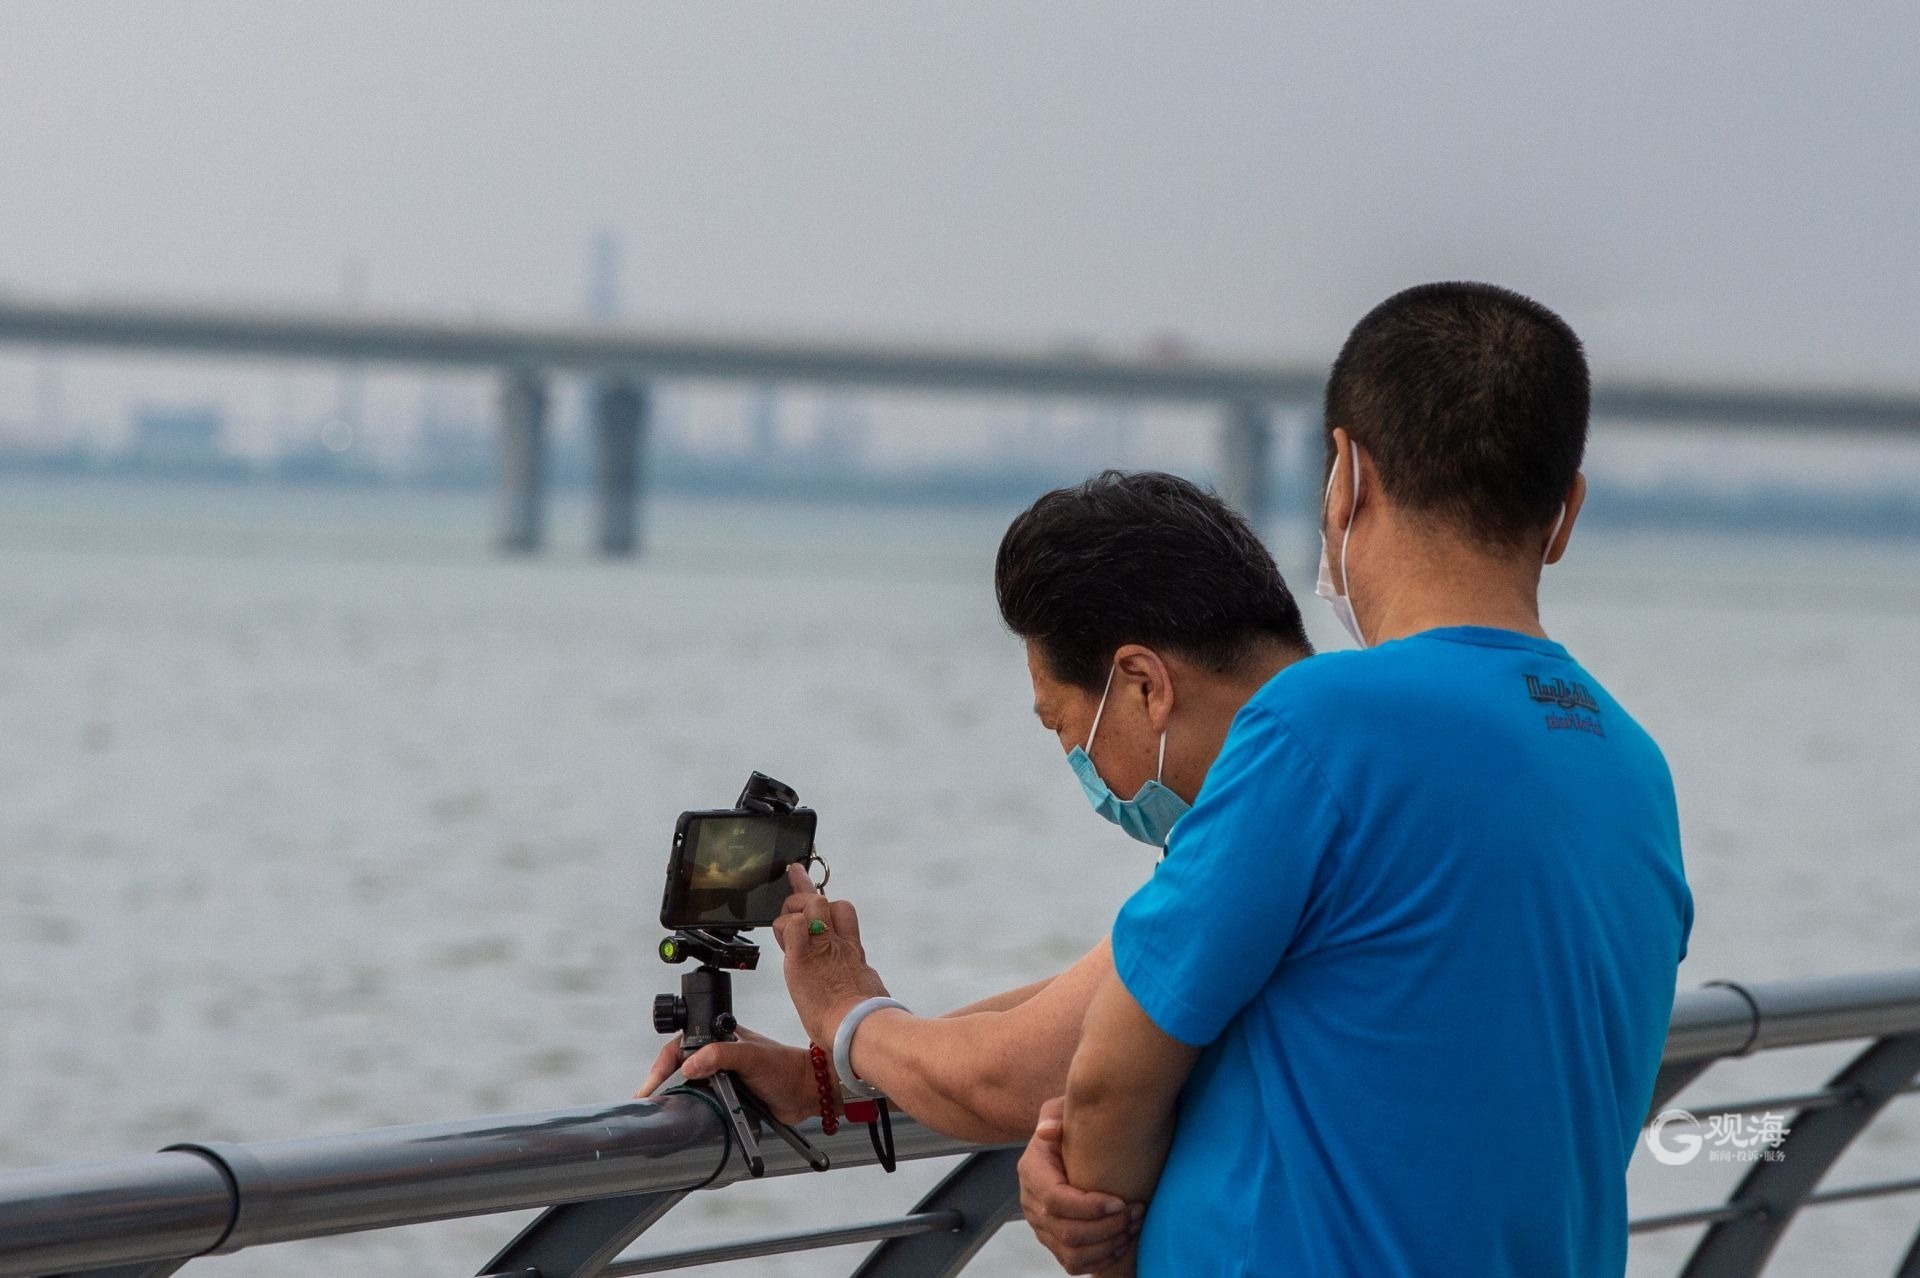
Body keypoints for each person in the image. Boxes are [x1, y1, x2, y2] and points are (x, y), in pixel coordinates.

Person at [1027, 282, 1694, 1276]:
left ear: (1345, 476)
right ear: (1565, 516)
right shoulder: (1635, 765)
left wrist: (1097, 1218)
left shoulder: (1317, 724)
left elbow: (1113, 1079)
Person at [636, 471, 1313, 1261]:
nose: (1076, 760)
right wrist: (828, 1074)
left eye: (1063, 725)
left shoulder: (1277, 797)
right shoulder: (1339, 756)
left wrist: (845, 1013)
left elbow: (1015, 1075)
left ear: (1143, 684)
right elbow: (1094, 1001)